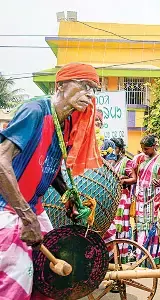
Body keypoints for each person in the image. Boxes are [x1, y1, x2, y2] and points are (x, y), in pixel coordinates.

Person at [0, 63, 102, 299]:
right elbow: (2, 161)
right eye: (84, 86)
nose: (89, 94)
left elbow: (50, 165)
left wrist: (68, 195)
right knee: (14, 286)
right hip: (9, 209)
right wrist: (26, 217)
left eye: (93, 89)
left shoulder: (66, 123)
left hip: (33, 208)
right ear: (61, 85)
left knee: (53, 276)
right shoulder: (35, 111)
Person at [130, 135, 160, 263]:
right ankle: (141, 259)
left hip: (155, 198)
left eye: (146, 148)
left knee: (154, 227)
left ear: (154, 147)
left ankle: (153, 259)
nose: (144, 151)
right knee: (141, 226)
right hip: (141, 197)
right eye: (142, 148)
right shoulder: (140, 159)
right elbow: (136, 176)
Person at [110, 138, 136, 263]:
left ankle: (122, 254)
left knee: (122, 227)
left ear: (119, 149)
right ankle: (112, 254)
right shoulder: (111, 161)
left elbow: (134, 178)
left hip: (123, 197)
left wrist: (124, 180)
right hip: (113, 197)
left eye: (114, 148)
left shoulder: (127, 162)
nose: (112, 151)